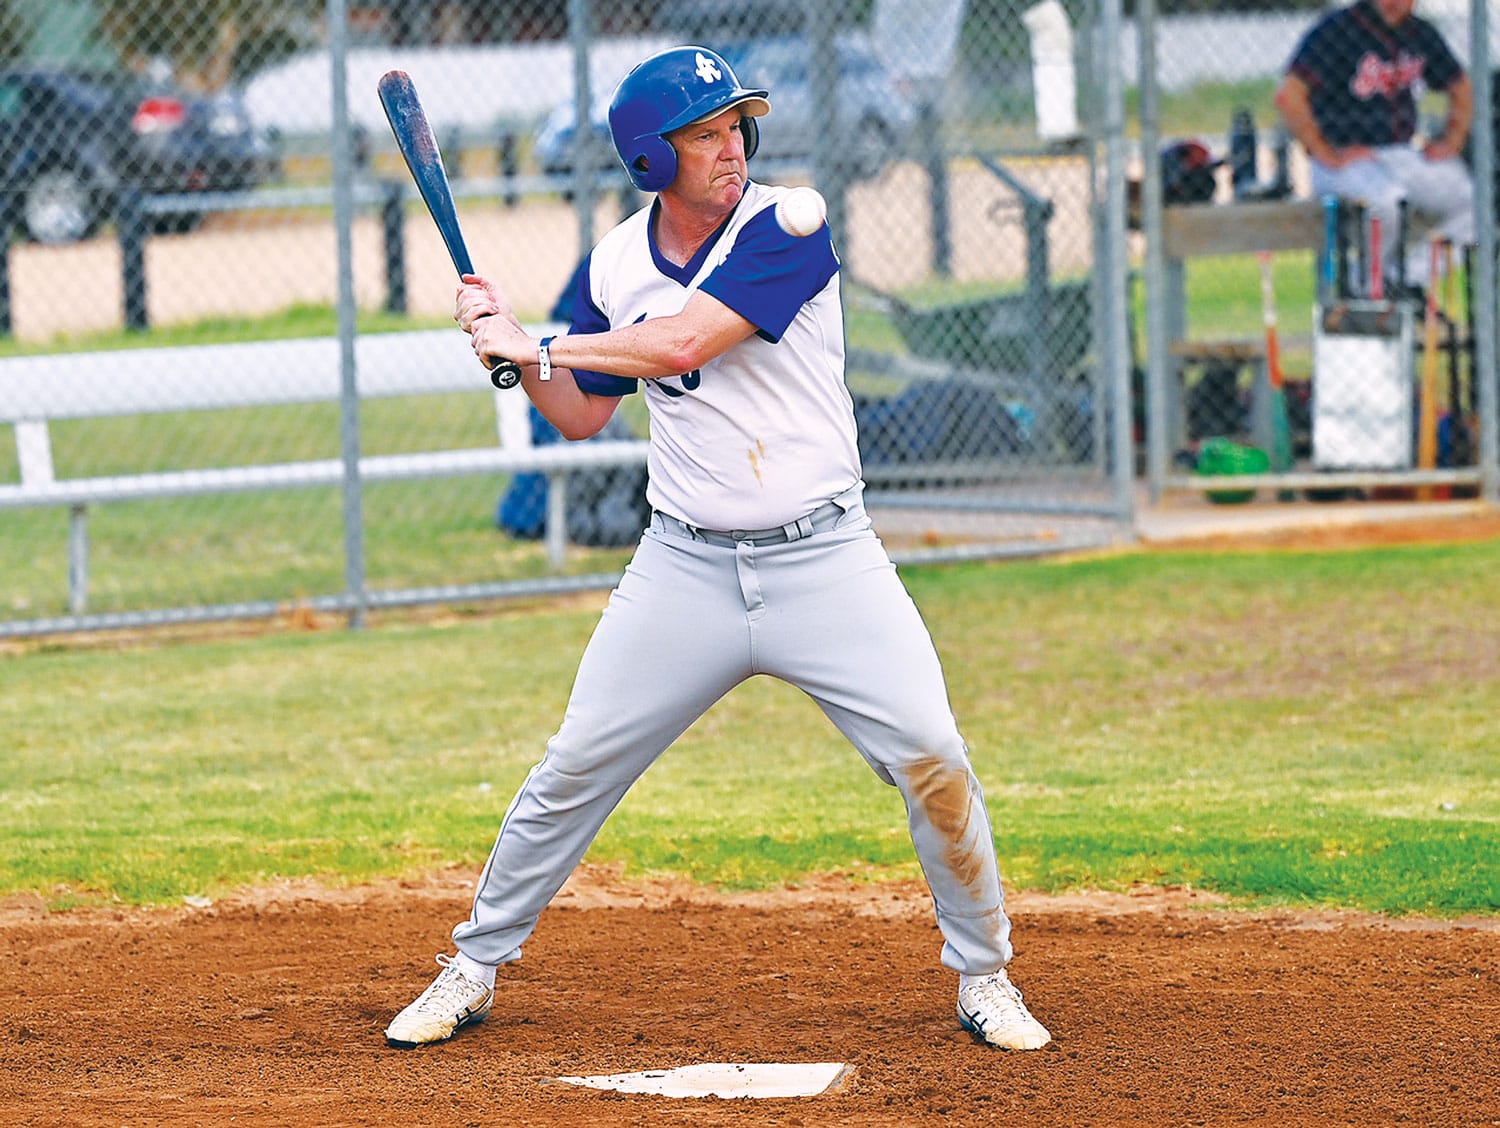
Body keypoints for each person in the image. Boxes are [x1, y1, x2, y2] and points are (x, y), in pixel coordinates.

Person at [383, 44, 1051, 1054]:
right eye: (704, 133)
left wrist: (543, 344)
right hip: (684, 568)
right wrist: (505, 349)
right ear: (653, 158)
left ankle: (986, 973)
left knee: (932, 757)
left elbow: (683, 342)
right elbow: (575, 415)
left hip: (826, 559)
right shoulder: (612, 263)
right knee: (574, 767)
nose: (731, 146)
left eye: (737, 125)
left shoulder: (788, 221)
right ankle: (472, 965)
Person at [1273, 0, 1474, 290]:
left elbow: (1461, 88)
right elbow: (1289, 96)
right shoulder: (1338, 31)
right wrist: (1323, 151)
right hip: (1345, 159)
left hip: (1399, 153)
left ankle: (1405, 281)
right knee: (1386, 202)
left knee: (1473, 203)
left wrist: (1452, 141)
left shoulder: (1420, 33)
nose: (1395, 3)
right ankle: (1367, 290)